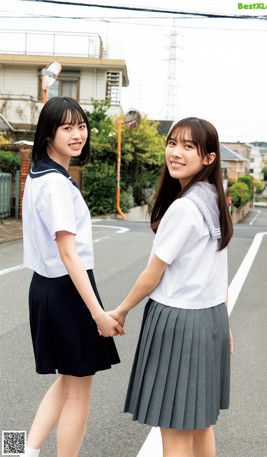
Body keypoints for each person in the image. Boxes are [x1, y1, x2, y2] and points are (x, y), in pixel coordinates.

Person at [108, 117, 234, 457]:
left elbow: (153, 274)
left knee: (175, 425)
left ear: (209, 158)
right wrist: (224, 323)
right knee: (198, 422)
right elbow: (217, 270)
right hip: (209, 319)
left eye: (188, 147)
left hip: (179, 322)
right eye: (173, 143)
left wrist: (120, 311)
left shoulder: (184, 208)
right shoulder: (214, 199)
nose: (175, 153)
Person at [21, 96, 124, 457]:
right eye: (67, 127)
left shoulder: (39, 174)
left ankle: (23, 450)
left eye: (81, 126)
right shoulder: (55, 184)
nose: (77, 134)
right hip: (67, 290)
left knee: (68, 382)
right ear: (48, 132)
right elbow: (68, 252)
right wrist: (97, 311)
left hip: (48, 287)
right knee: (79, 390)